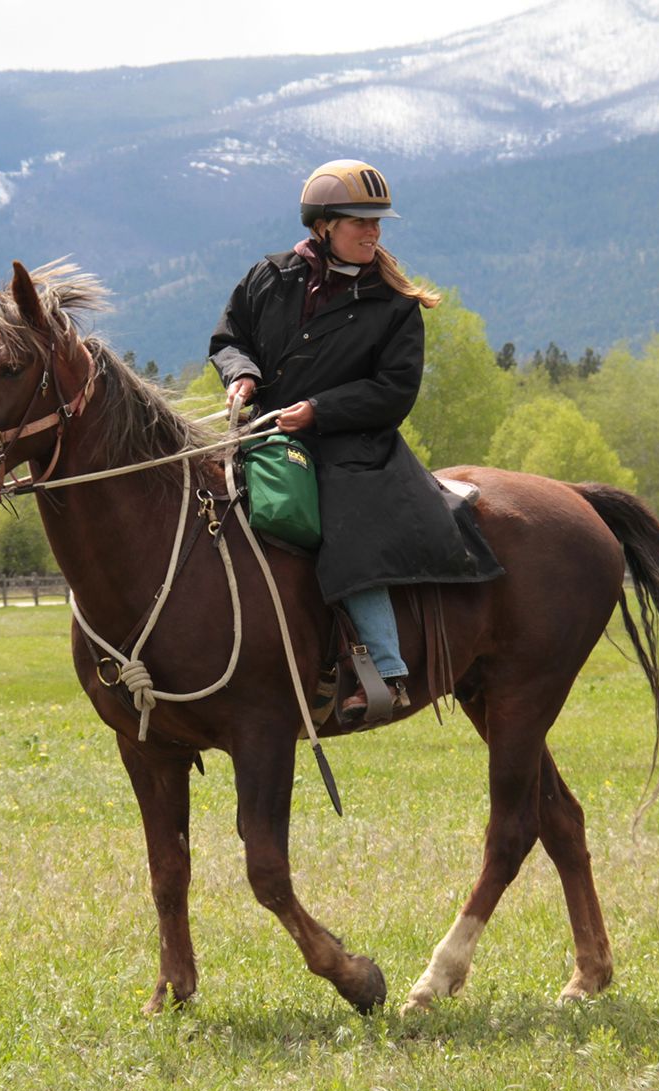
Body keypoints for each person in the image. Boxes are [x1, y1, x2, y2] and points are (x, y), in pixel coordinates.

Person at [208, 158, 503, 726]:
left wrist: (318, 411)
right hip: (264, 436)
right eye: (359, 222)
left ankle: (383, 668)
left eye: (377, 224)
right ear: (323, 226)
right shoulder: (268, 276)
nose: (373, 232)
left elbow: (394, 391)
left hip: (352, 449)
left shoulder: (395, 306)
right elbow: (229, 337)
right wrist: (241, 373)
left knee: (344, 526)